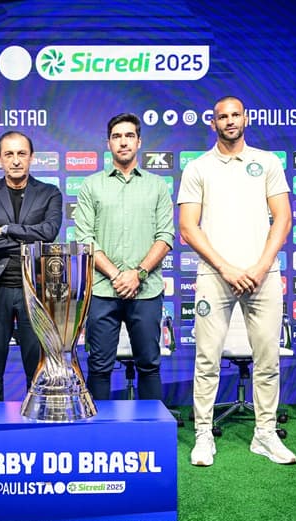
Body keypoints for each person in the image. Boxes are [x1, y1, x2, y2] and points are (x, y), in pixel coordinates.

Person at [178, 96, 296, 466]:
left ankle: (265, 434)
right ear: (212, 123)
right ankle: (203, 435)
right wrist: (226, 268)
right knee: (206, 360)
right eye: (222, 117)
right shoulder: (197, 168)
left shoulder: (267, 162)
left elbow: (283, 219)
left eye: (235, 115)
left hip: (264, 276)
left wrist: (261, 267)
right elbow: (187, 227)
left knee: (268, 360)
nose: (229, 121)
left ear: (245, 119)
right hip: (215, 276)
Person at [74, 113, 174, 401]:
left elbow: (165, 236)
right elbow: (85, 239)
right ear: (108, 144)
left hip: (146, 290)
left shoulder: (156, 185)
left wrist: (138, 274)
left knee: (149, 365)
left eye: (129, 135)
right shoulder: (91, 185)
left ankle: (150, 434)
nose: (123, 142)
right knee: (100, 366)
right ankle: (98, 436)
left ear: (139, 142)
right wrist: (119, 276)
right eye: (117, 136)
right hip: (104, 290)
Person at [0, 131, 63, 402]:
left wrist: (7, 230)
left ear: (31, 157)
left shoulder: (49, 193)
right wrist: (25, 239)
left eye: (21, 154)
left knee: (37, 370)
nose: (15, 161)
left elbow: (49, 233)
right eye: (8, 154)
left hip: (34, 293)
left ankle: (36, 427)